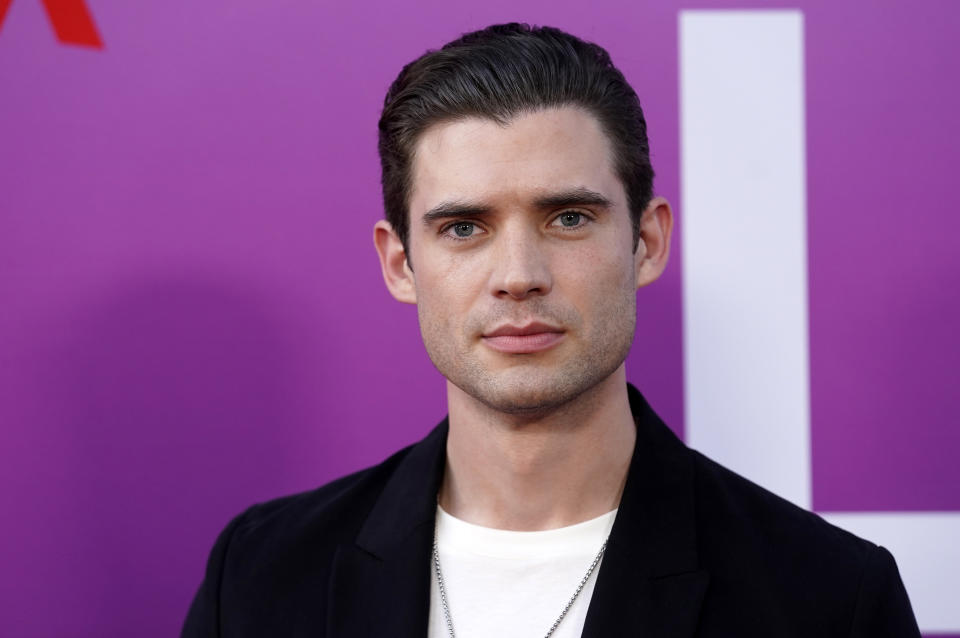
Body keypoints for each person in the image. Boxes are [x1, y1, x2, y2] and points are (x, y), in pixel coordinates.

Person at [181, 23, 921, 637]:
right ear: (400, 263)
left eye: (568, 218)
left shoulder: (829, 600)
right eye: (465, 227)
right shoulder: (260, 578)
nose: (518, 273)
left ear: (647, 242)